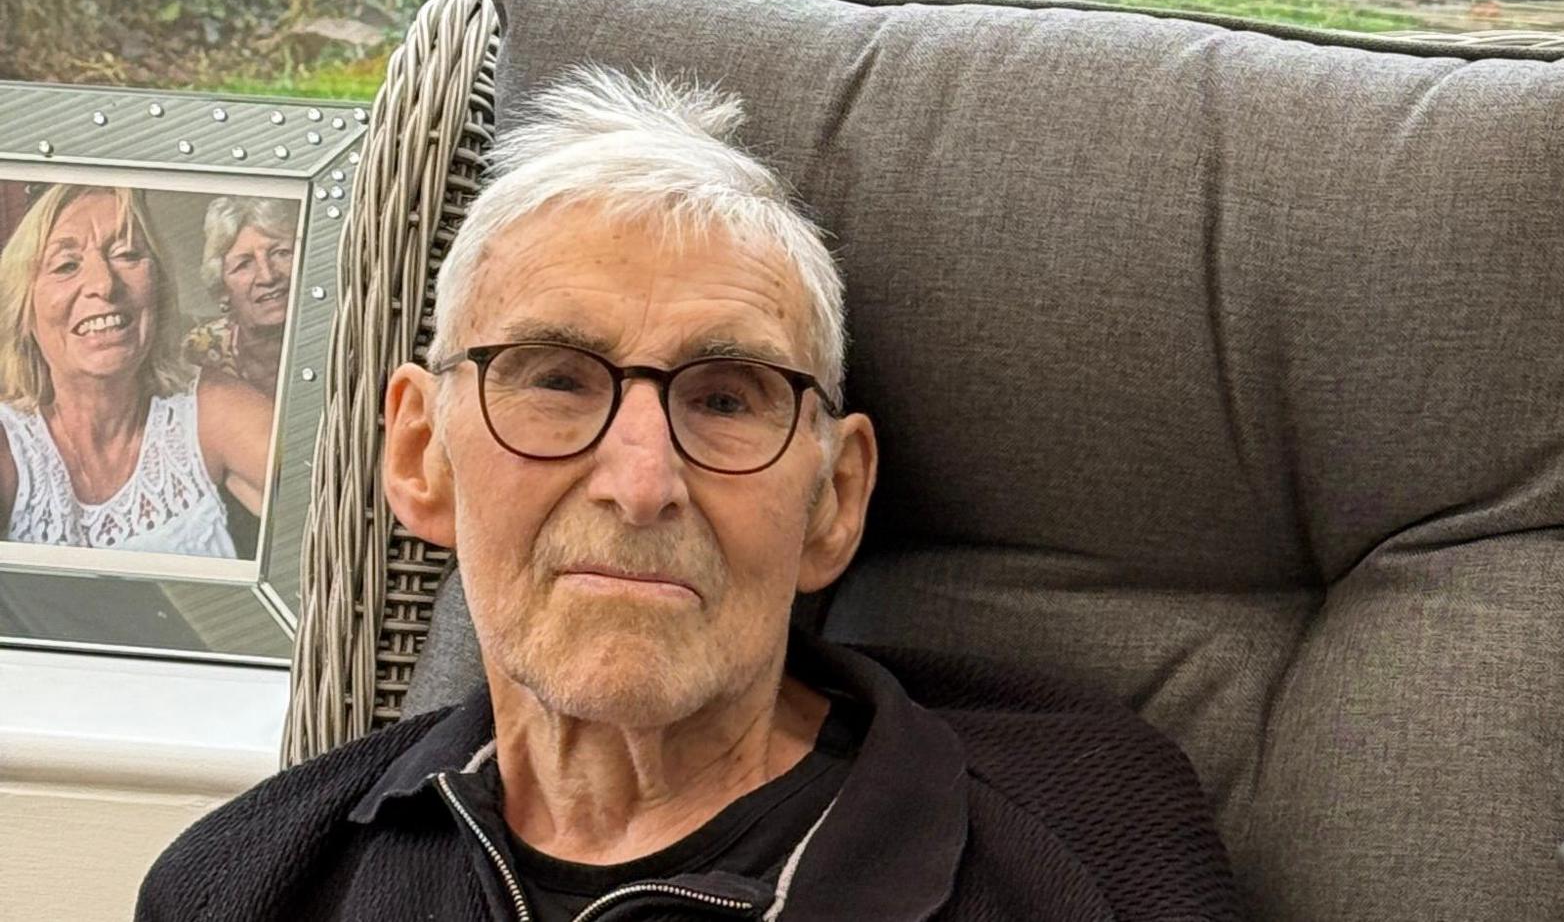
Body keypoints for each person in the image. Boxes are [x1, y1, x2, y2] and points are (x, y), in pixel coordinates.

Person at [136, 69, 1243, 921]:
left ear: (834, 497)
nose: (640, 482)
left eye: (725, 399)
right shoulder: (250, 880)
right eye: (557, 381)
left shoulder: (1083, 844)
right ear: (423, 453)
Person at [0, 184, 273, 557]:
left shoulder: (212, 408)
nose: (104, 285)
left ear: (158, 289)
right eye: (66, 265)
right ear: (24, 311)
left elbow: (333, 506)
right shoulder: (10, 444)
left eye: (127, 254)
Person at [185, 195, 298, 397]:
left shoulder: (341, 334)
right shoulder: (199, 349)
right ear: (222, 290)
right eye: (244, 264)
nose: (268, 276)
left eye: (281, 253)